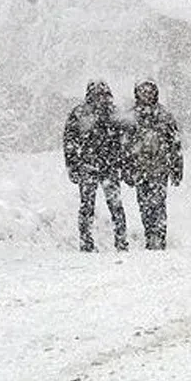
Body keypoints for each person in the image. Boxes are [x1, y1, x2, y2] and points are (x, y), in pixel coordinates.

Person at [63, 80, 128, 252]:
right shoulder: (80, 113)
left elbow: (124, 141)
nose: (100, 97)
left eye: (102, 93)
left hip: (107, 166)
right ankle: (87, 242)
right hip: (90, 166)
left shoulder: (112, 114)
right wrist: (72, 165)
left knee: (114, 205)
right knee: (88, 206)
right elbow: (69, 141)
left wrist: (122, 162)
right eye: (97, 93)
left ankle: (121, 241)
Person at [123, 80, 183, 250]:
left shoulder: (165, 115)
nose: (147, 95)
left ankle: (160, 237)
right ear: (137, 93)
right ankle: (150, 236)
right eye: (143, 91)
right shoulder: (131, 117)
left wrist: (177, 168)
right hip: (139, 169)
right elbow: (124, 146)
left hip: (159, 169)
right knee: (144, 205)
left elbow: (175, 144)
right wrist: (126, 169)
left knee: (159, 204)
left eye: (150, 91)